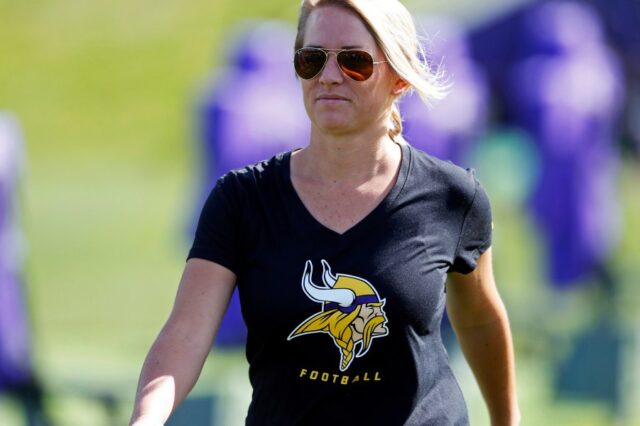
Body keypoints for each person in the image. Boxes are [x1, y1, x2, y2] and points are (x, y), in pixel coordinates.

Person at [130, 1, 520, 425]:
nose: (329, 76)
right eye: (311, 60)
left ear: (400, 78)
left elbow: (481, 322)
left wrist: (507, 421)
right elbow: (185, 334)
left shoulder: (453, 196)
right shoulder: (242, 198)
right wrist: (146, 419)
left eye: (355, 62)